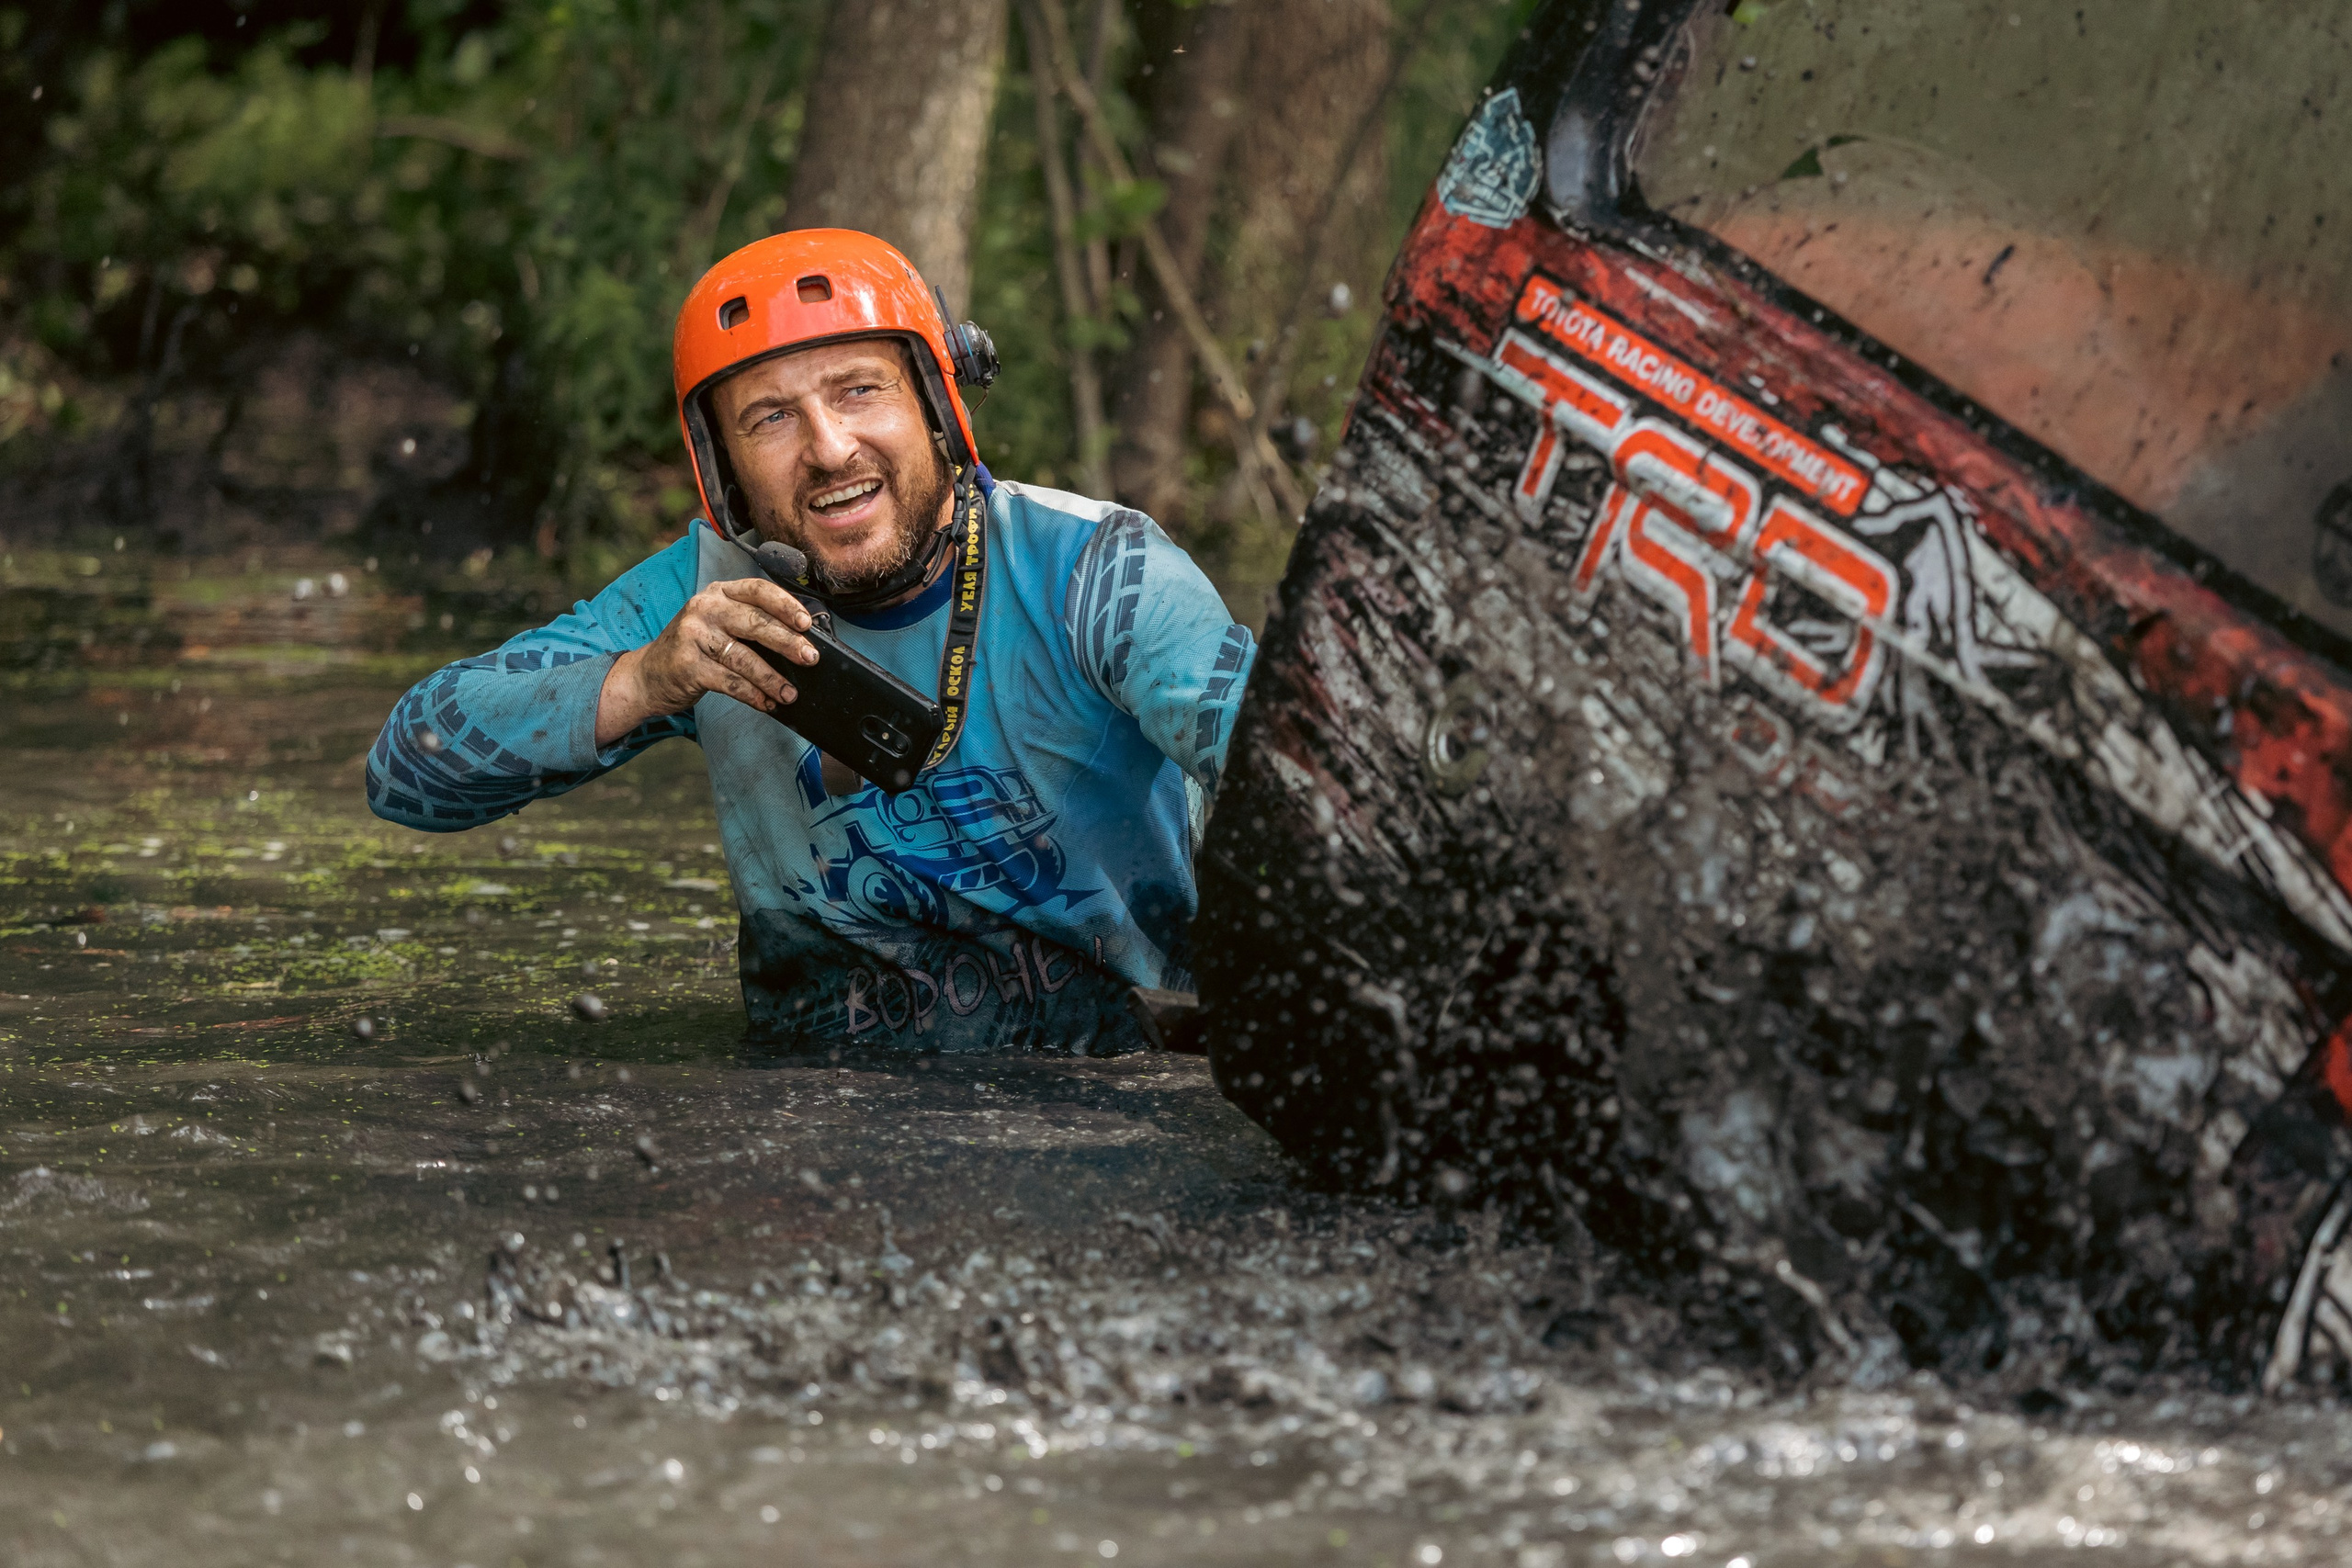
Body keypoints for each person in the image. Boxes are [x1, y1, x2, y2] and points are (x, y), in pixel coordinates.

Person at [365, 230, 1256, 1055]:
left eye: (859, 390)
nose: (830, 449)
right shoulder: (697, 597)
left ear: (937, 404)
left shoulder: (1098, 569)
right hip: (816, 1100)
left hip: (1116, 1080)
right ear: (722, 468)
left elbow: (1290, 771)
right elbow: (407, 770)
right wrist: (643, 680)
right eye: (771, 418)